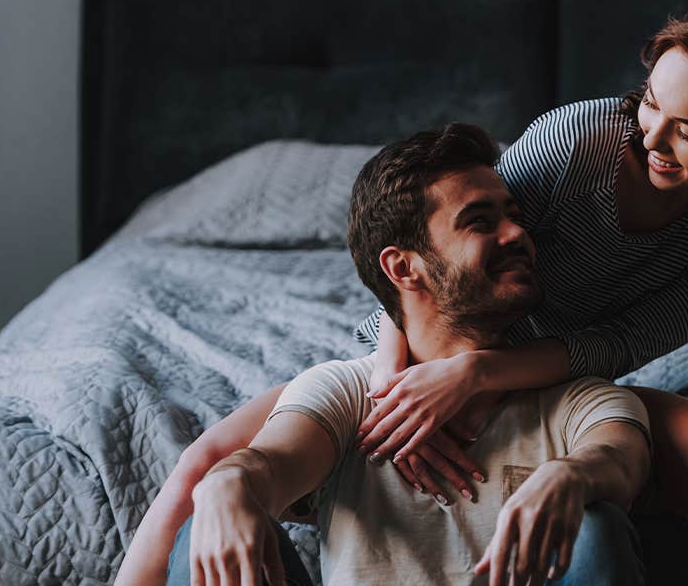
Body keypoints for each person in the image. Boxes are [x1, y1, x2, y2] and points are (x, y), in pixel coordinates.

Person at [117, 0, 688, 586]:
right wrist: (393, 384)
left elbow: (623, 344)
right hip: (444, 336)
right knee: (210, 465)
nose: (652, 136)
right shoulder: (580, 142)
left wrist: (480, 376)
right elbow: (440, 254)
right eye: (651, 104)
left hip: (557, 370)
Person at [165, 122, 653, 586]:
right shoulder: (348, 394)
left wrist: (574, 474)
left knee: (595, 524)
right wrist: (226, 483)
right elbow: (271, 465)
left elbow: (617, 457)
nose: (516, 236)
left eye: (514, 217)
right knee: (201, 532)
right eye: (480, 222)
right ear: (403, 267)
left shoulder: (578, 400)